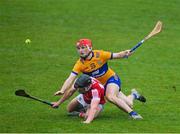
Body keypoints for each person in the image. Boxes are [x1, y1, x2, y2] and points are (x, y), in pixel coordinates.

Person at [53, 38, 146, 119]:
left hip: (111, 80)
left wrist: (125, 53)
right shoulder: (80, 64)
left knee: (110, 96)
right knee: (129, 104)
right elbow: (71, 78)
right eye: (78, 48)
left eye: (83, 47)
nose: (80, 51)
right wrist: (62, 89)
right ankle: (134, 95)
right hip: (98, 86)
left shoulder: (100, 54)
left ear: (90, 48)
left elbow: (117, 55)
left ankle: (133, 114)